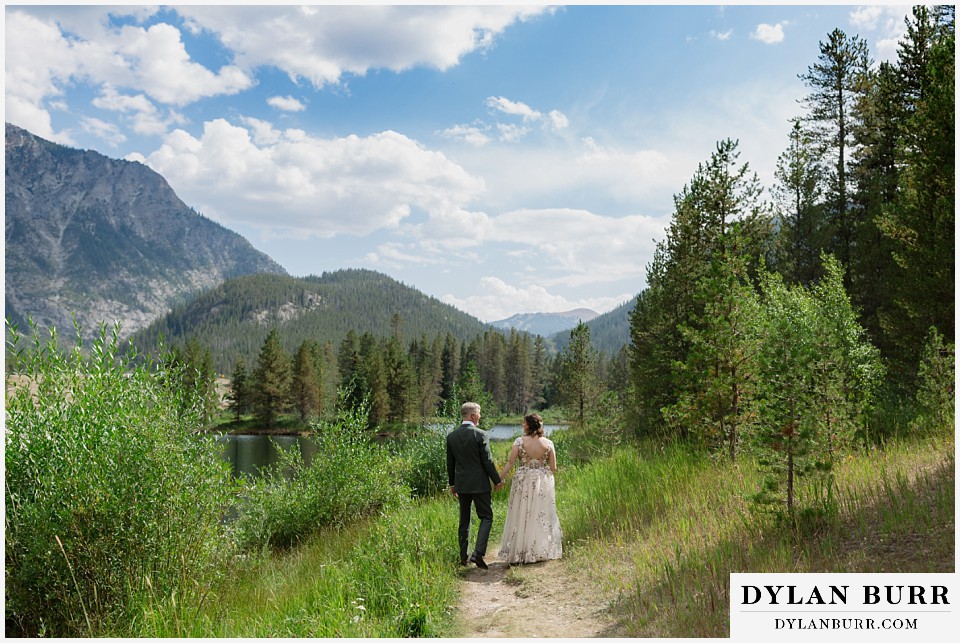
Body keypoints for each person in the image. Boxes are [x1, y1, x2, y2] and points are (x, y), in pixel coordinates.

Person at [497, 413, 562, 564]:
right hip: (542, 481)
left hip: (523, 481)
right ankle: (538, 550)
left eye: (524, 423)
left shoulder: (519, 441)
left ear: (529, 425)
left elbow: (510, 462)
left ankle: (521, 551)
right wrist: (540, 470)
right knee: (539, 514)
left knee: (522, 513)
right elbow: (553, 467)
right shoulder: (549, 443)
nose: (522, 425)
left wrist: (498, 478)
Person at [446, 402, 503, 569]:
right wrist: (497, 480)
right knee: (486, 516)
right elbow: (488, 461)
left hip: (462, 484)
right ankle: (478, 553)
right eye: (479, 413)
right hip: (479, 484)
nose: (480, 416)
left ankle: (464, 557)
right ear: (472, 416)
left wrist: (452, 484)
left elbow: (450, 463)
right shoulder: (480, 435)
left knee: (464, 520)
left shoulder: (451, 436)